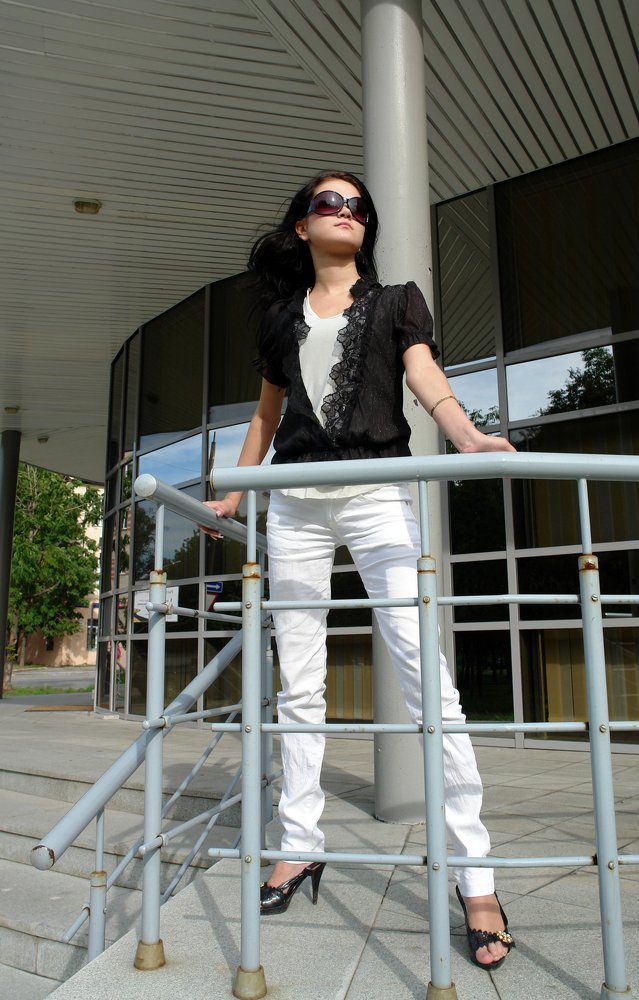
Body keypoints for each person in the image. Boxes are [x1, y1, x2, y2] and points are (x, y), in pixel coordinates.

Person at [202, 171, 516, 969]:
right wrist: (232, 489)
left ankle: (476, 878)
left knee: (426, 679)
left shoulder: (397, 301)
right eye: (328, 204)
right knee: (299, 684)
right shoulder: (280, 318)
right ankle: (299, 844)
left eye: (356, 207)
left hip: (377, 494)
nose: (345, 213)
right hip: (293, 506)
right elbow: (267, 414)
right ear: (302, 227)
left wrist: (467, 436)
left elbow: (425, 378)